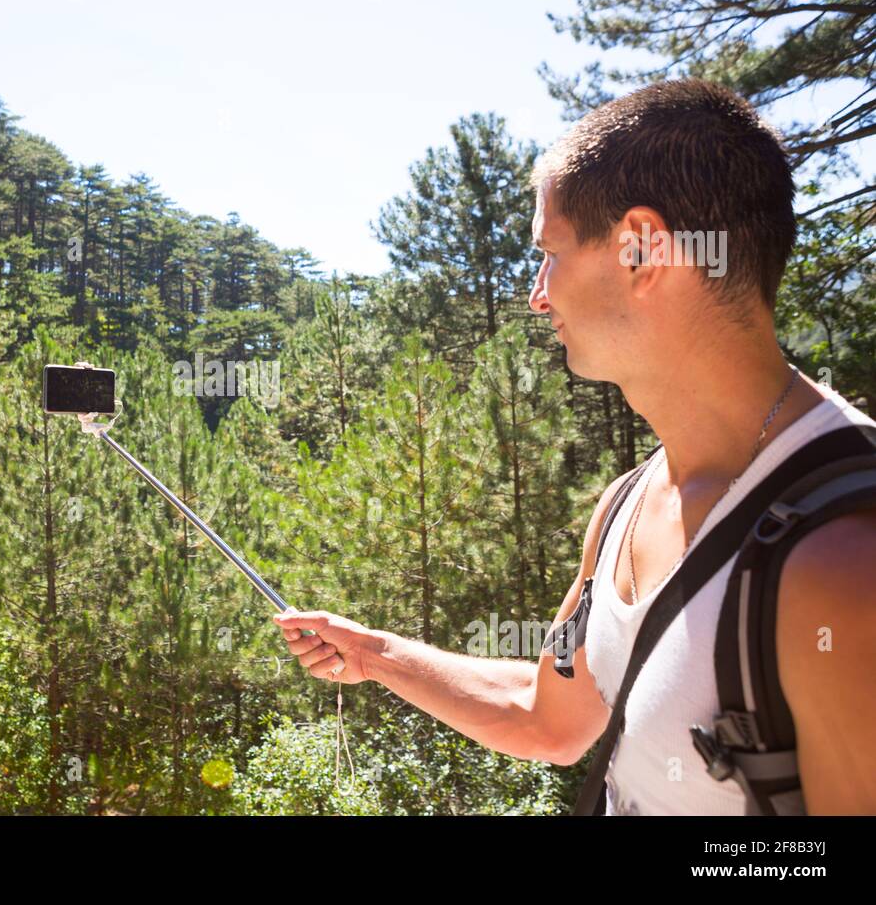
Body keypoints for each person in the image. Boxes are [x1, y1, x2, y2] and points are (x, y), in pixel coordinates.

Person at [274, 78, 876, 815]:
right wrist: (373, 655)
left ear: (642, 250)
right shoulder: (625, 508)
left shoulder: (843, 563)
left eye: (550, 252)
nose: (537, 293)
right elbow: (546, 718)